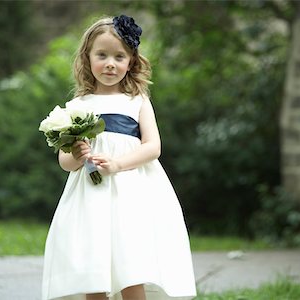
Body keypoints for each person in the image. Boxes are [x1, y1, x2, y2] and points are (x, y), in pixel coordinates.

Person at [41, 15, 197, 300]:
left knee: (131, 260)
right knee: (93, 264)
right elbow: (66, 163)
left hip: (131, 193)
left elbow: (153, 147)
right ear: (87, 58)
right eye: (102, 55)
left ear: (131, 61)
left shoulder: (137, 101)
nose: (110, 63)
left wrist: (117, 165)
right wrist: (76, 154)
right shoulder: (77, 106)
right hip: (90, 196)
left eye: (119, 56)